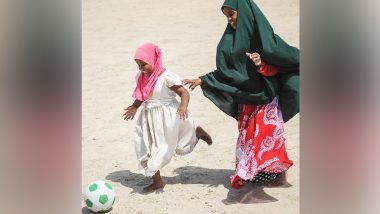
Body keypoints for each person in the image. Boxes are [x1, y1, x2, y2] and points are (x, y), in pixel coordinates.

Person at [183, 0, 299, 189]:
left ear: (243, 13)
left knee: (268, 138)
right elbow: (227, 71)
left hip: (266, 99)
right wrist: (204, 79)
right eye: (226, 16)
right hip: (245, 101)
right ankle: (253, 174)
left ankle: (279, 175)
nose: (229, 20)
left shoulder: (265, 39)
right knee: (249, 138)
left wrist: (261, 64)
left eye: (232, 14)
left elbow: (279, 68)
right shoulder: (229, 40)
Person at [123, 43, 212, 193]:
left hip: (167, 117)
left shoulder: (166, 78)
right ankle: (157, 182)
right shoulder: (141, 77)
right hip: (148, 117)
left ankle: (195, 134)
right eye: (138, 65)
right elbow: (143, 95)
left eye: (144, 64)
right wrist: (134, 107)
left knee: (163, 148)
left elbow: (184, 93)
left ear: (154, 60)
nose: (141, 69)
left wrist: (183, 107)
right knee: (147, 147)